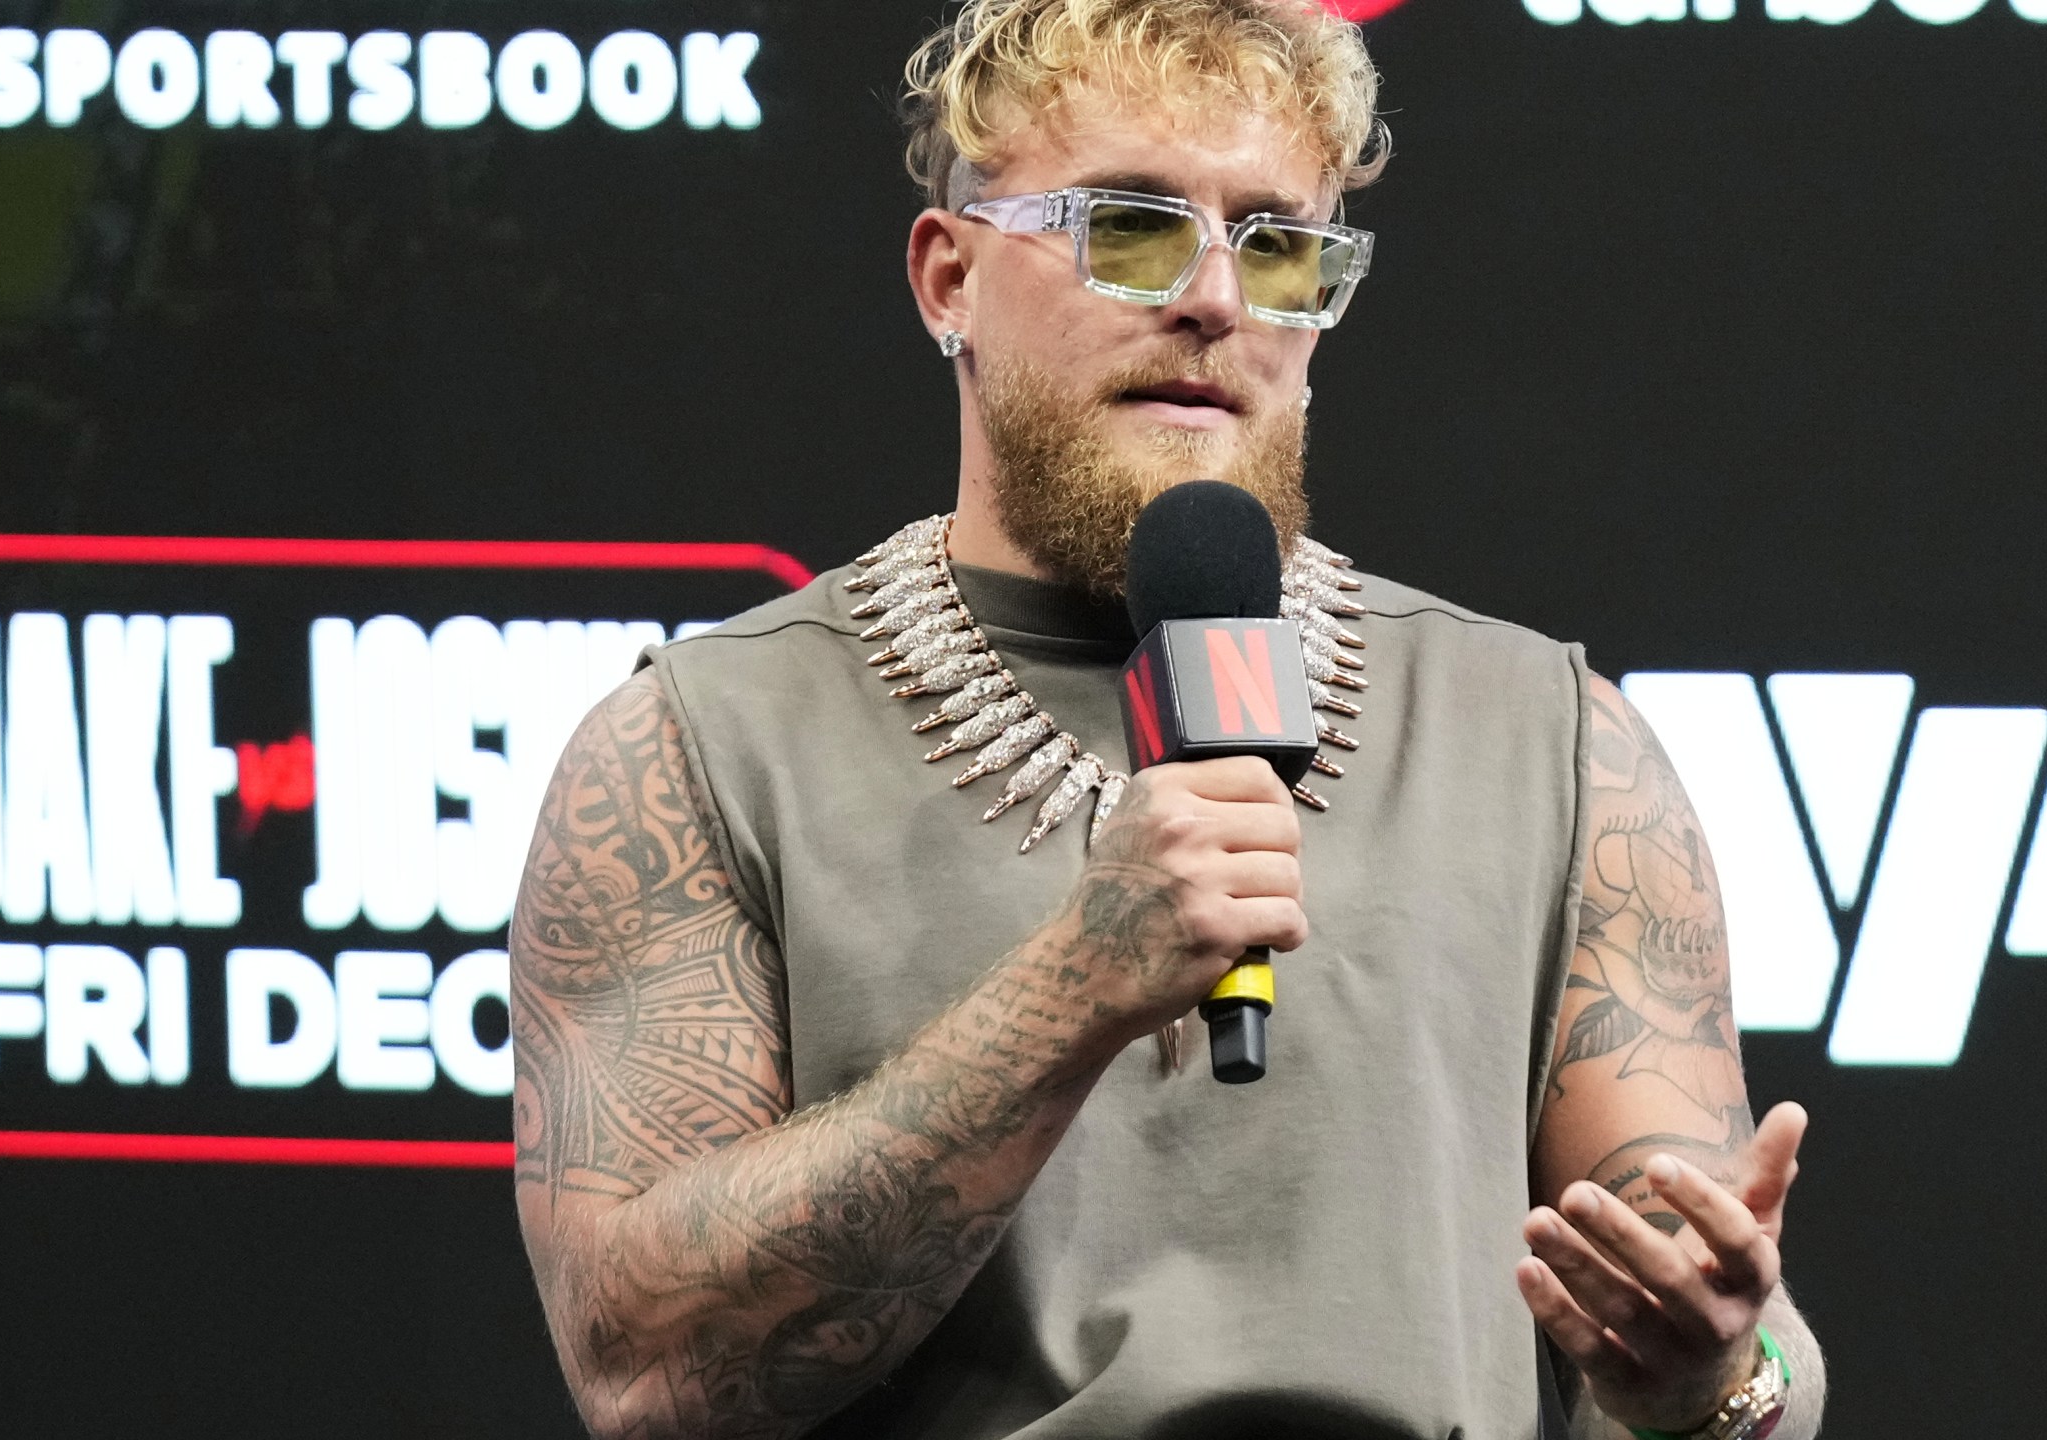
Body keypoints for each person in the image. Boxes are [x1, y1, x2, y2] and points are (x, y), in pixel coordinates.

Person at [510, 1, 1827, 1436]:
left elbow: (1747, 1344)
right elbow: (646, 1374)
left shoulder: (1554, 744)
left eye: (1277, 249)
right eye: (1129, 230)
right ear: (947, 278)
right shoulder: (698, 751)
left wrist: (1716, 1381)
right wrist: (1071, 991)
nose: (1212, 298)